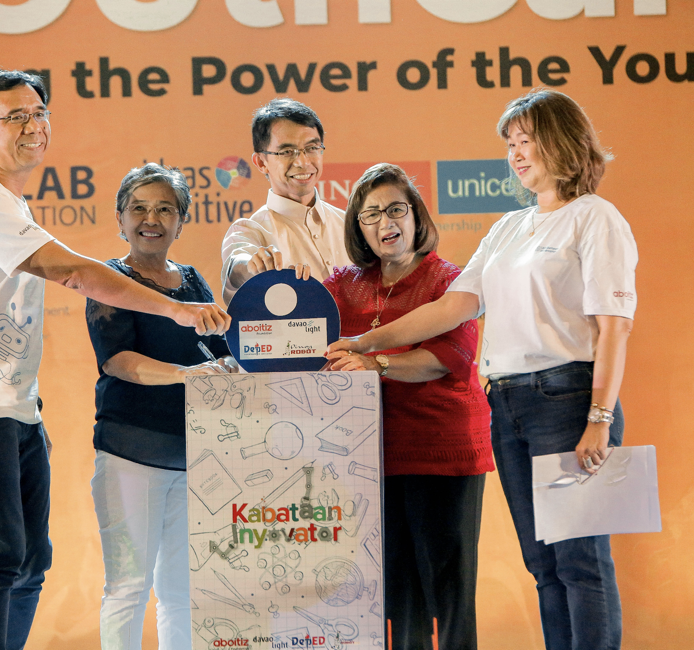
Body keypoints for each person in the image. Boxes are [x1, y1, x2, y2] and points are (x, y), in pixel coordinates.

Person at [0, 70, 229, 650]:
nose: (35, 126)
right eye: (17, 117)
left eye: (40, 113)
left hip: (13, 411)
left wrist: (30, 410)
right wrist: (178, 313)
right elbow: (75, 274)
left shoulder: (12, 201)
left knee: (31, 560)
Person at [329, 90, 638, 650]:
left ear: (563, 142)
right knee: (543, 564)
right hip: (510, 406)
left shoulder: (595, 217)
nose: (517, 155)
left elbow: (615, 324)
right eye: (511, 144)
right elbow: (450, 307)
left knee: (580, 561)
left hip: (569, 398)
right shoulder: (508, 228)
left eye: (528, 141)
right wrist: (363, 340)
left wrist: (599, 416)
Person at [323, 163, 493, 650]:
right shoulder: (344, 284)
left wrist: (375, 363)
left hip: (443, 451)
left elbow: (447, 358)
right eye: (370, 214)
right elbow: (308, 334)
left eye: (395, 209)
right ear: (358, 227)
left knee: (449, 590)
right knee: (396, 594)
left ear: (416, 216)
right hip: (370, 459)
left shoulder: (448, 281)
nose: (384, 222)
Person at [85, 164, 239, 650]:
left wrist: (234, 366)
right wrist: (186, 377)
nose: (151, 219)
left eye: (164, 209)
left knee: (182, 593)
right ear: (120, 218)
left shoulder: (193, 282)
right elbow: (118, 362)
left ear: (181, 221)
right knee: (128, 588)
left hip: (196, 459)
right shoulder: (107, 280)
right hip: (131, 455)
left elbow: (215, 350)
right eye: (139, 208)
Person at [220, 98, 352, 304]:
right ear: (261, 162)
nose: (302, 162)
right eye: (287, 152)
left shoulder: (350, 224)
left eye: (312, 148)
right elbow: (236, 267)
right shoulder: (250, 231)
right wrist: (253, 266)